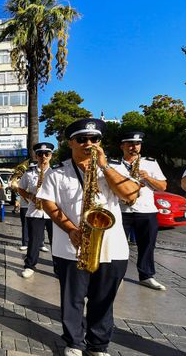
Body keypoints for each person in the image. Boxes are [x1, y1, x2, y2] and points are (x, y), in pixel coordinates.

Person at [37, 118, 139, 356]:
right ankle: (74, 342)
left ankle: (98, 344)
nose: (89, 143)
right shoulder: (57, 172)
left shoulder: (116, 169)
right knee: (72, 299)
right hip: (71, 247)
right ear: (71, 142)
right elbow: (48, 203)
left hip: (112, 247)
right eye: (82, 139)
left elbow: (131, 196)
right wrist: (70, 229)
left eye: (95, 139)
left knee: (103, 299)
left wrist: (104, 167)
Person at [109, 131, 167, 290]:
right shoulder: (113, 164)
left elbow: (163, 187)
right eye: (130, 144)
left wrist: (147, 178)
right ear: (122, 146)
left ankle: (146, 276)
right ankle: (116, 276)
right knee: (117, 245)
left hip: (146, 210)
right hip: (121, 210)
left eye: (137, 144)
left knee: (147, 245)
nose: (134, 147)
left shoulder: (150, 163)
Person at [17, 143, 54, 278]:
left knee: (55, 240)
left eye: (46, 154)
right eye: (40, 154)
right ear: (36, 156)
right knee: (34, 240)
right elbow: (20, 188)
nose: (43, 157)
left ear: (51, 156)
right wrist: (29, 196)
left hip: (53, 212)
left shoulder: (56, 172)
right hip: (35, 211)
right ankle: (30, 265)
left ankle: (58, 267)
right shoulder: (29, 173)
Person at [18, 161, 36, 251]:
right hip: (25, 204)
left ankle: (41, 243)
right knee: (25, 224)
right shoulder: (26, 175)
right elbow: (20, 189)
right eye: (31, 168)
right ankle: (25, 242)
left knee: (38, 224)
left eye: (34, 168)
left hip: (37, 205)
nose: (33, 170)